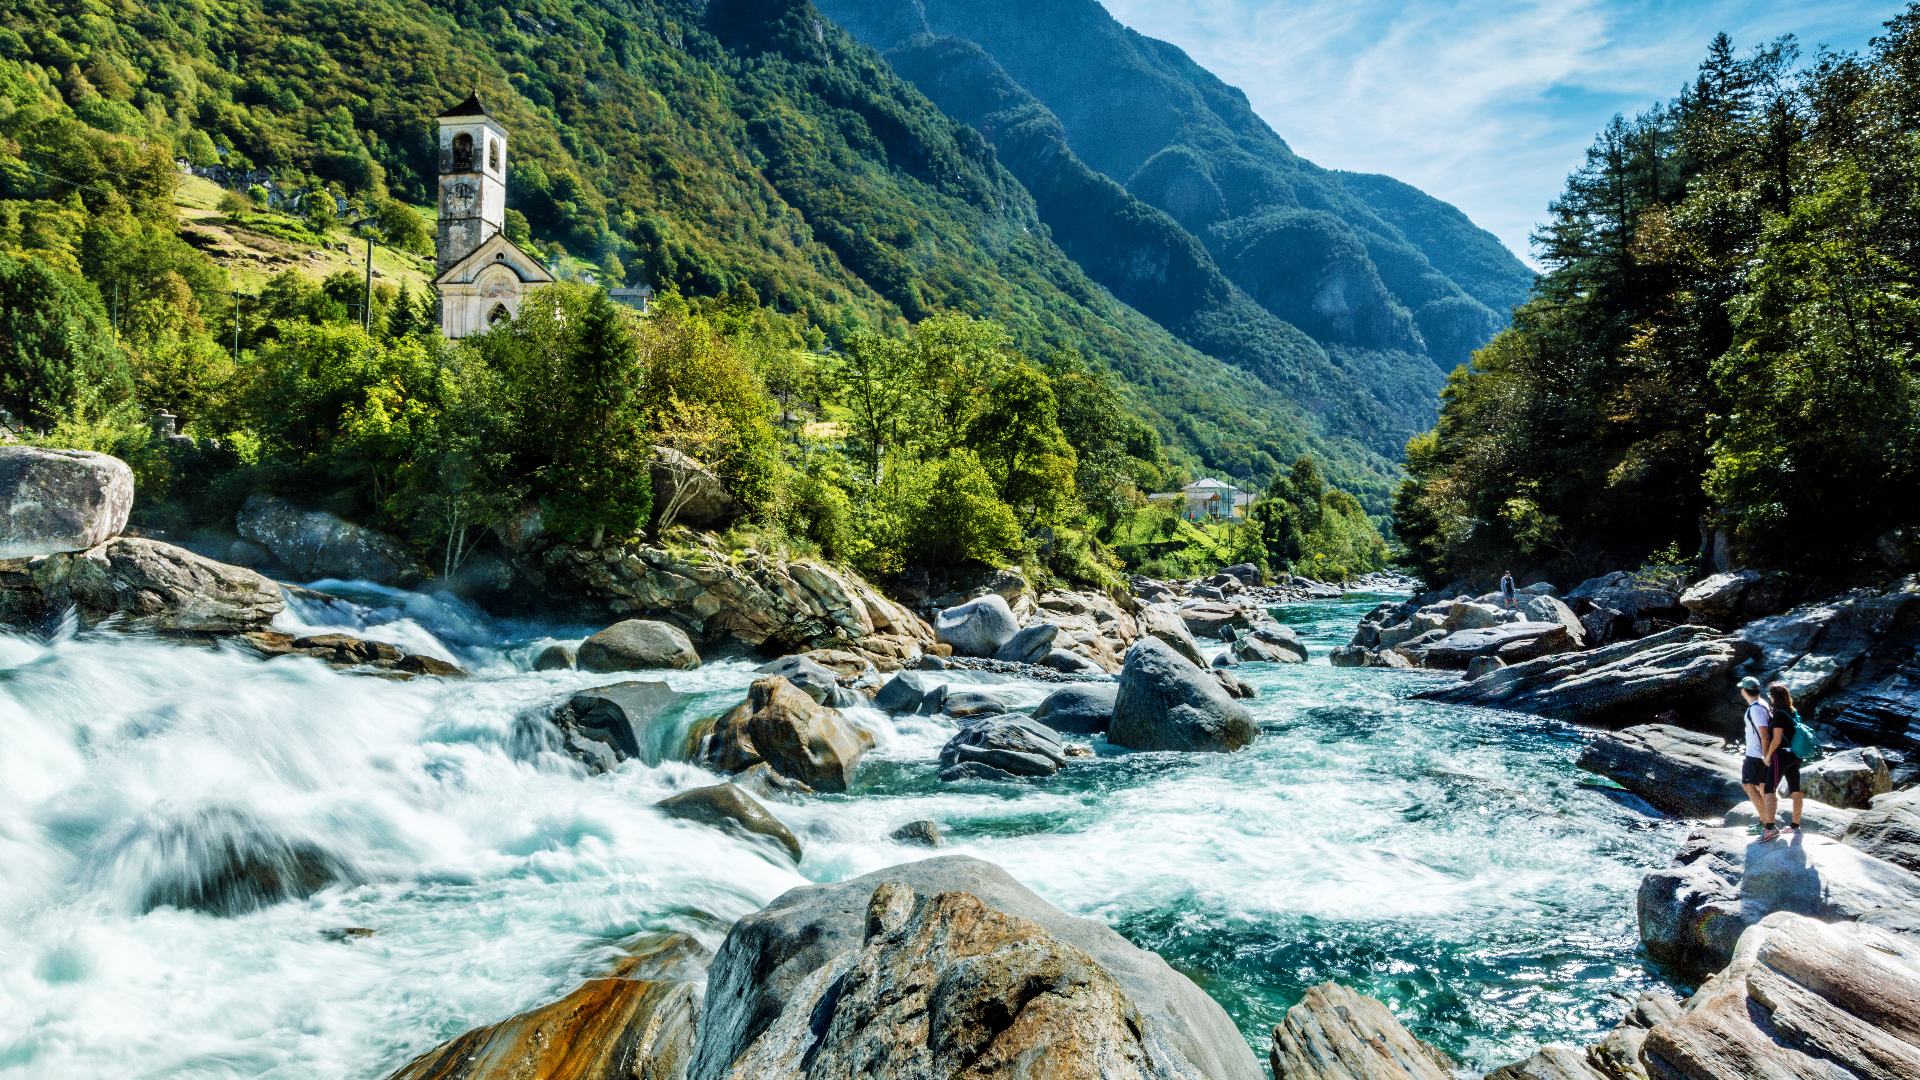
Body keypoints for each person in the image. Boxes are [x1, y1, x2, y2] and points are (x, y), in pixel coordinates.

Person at [1737, 676, 1779, 841]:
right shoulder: (1764, 705)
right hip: (1760, 754)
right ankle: (1766, 823)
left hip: (1757, 755)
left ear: (1744, 691)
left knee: (1748, 785)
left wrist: (1766, 756)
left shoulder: (1755, 708)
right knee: (1761, 787)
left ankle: (1767, 823)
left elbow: (1764, 734)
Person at [1763, 682, 1805, 834]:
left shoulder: (1780, 714)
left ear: (1774, 697)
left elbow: (1777, 739)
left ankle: (1769, 828)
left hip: (1781, 756)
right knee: (1795, 789)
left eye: (1770, 696)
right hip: (1795, 755)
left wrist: (1768, 756)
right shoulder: (1793, 711)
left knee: (1769, 789)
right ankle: (1795, 826)